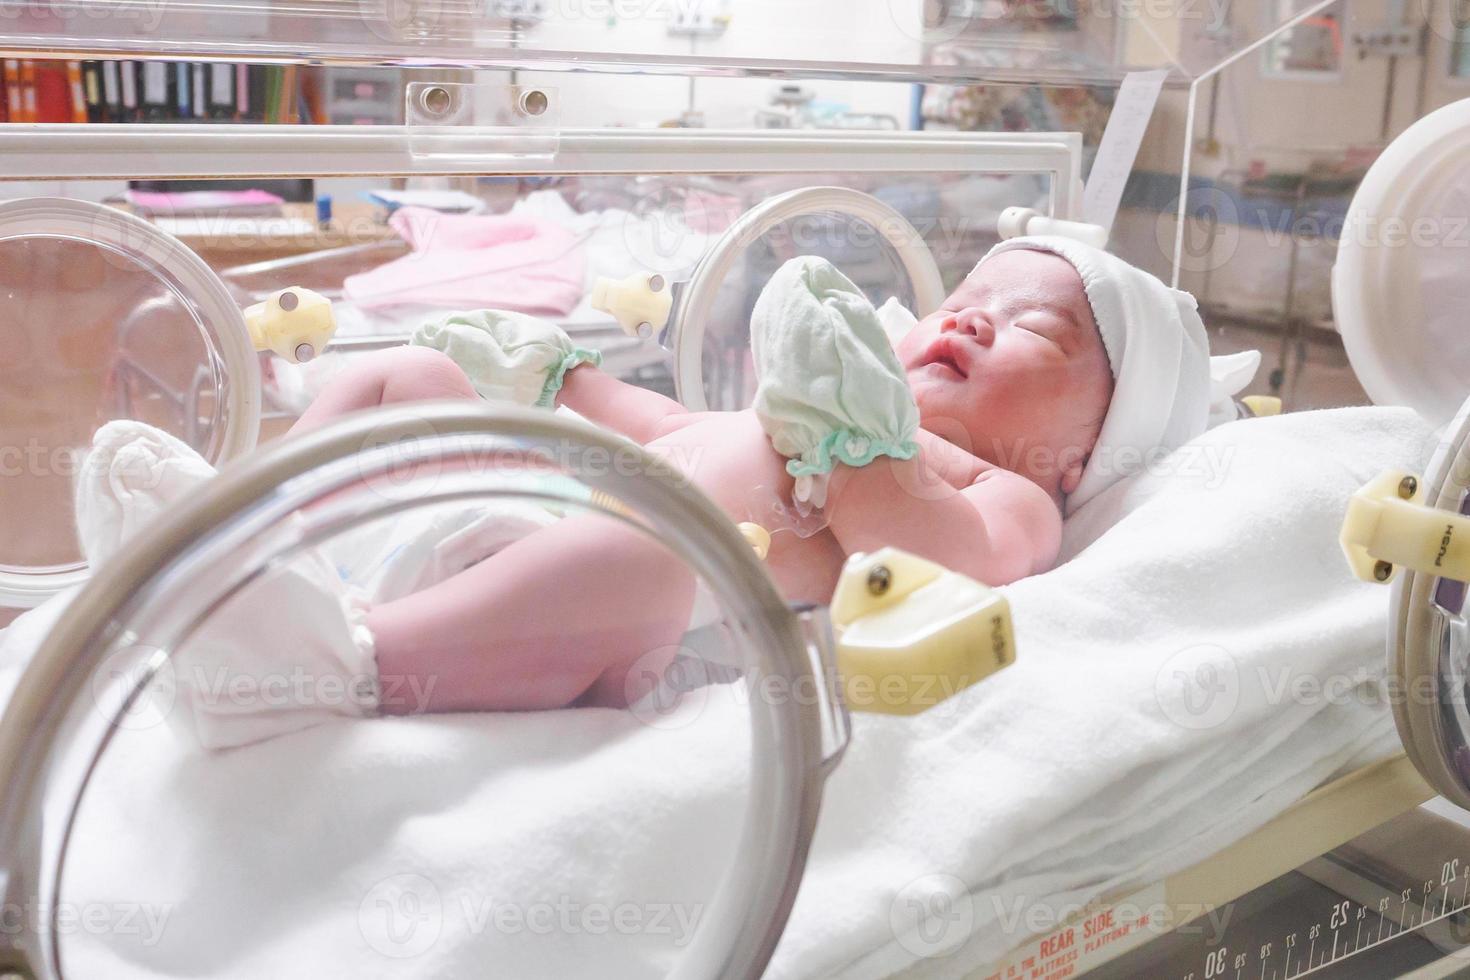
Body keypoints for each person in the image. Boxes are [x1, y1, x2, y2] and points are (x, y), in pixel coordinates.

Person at [74, 237, 1257, 748]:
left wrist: (857, 446)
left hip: (579, 617)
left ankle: (324, 662)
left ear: (1077, 454)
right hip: (519, 522)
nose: (968, 316)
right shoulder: (799, 410)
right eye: (965, 299)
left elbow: (941, 556)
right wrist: (555, 372)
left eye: (1033, 329)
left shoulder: (1008, 497)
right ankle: (242, 527)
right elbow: (665, 429)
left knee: (649, 558)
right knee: (410, 372)